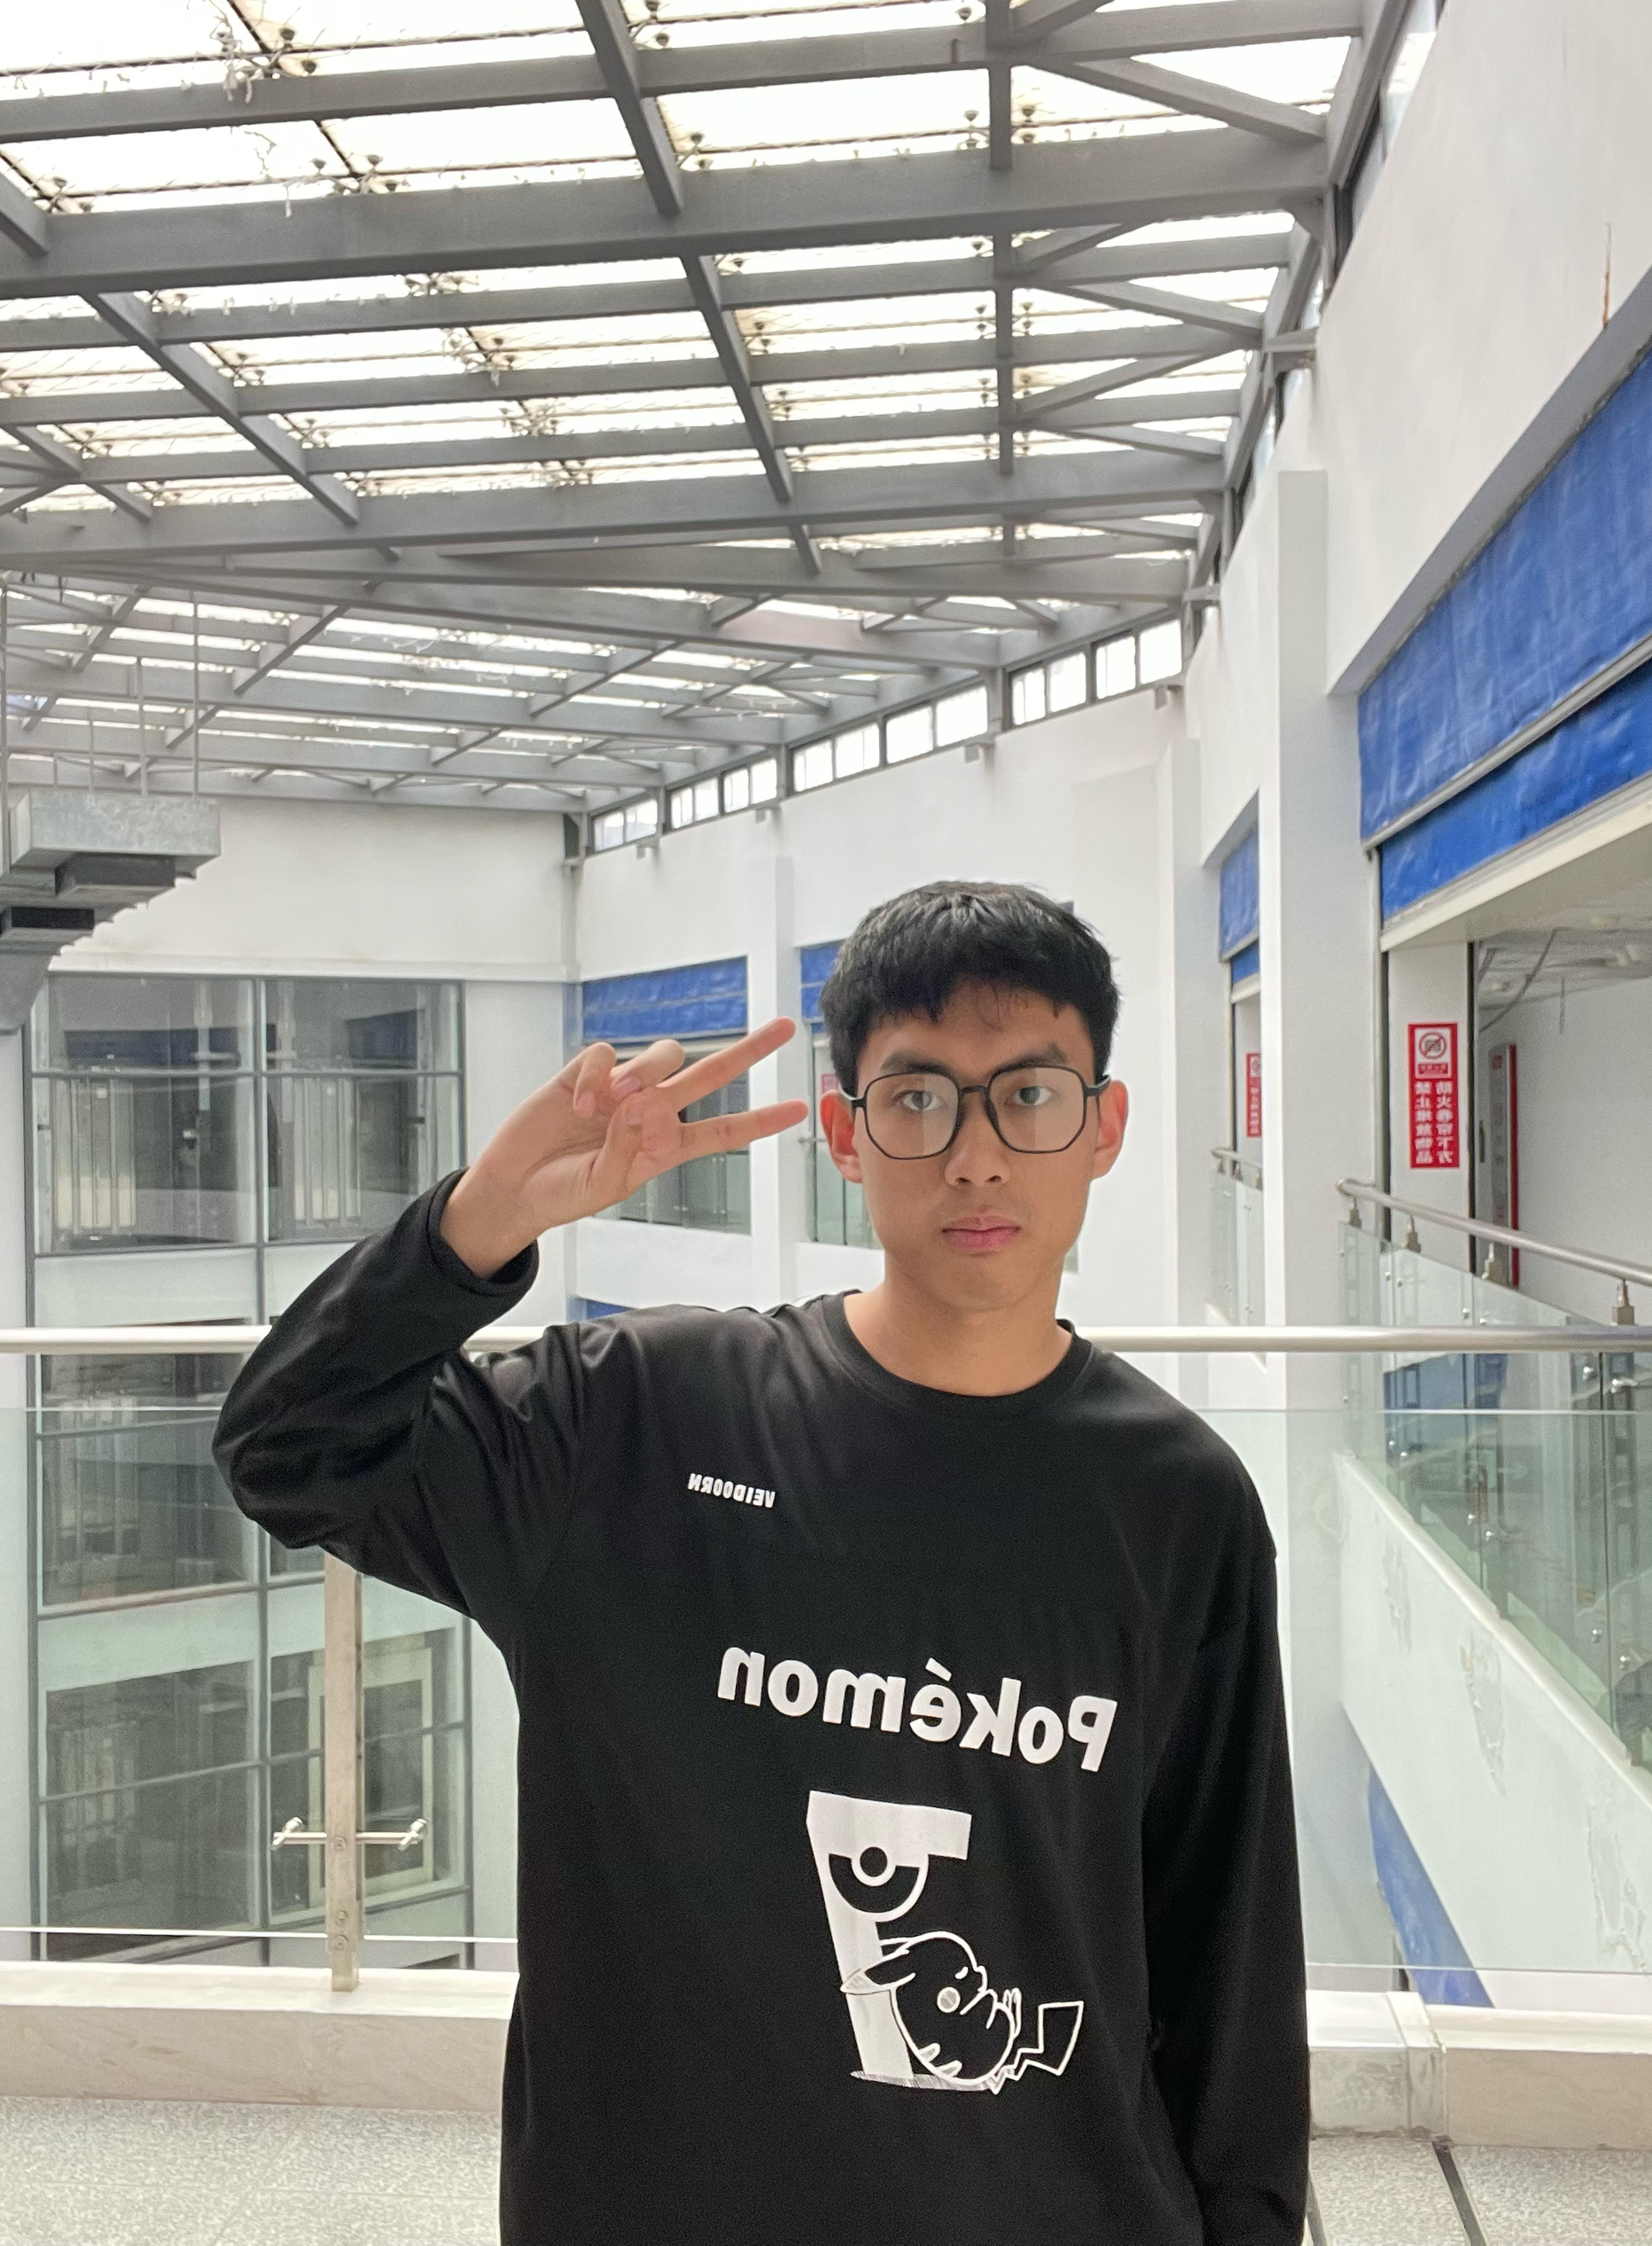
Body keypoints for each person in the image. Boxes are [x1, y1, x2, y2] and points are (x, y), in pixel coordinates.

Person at [215, 879, 1308, 2246]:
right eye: (919, 1098)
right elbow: (287, 1449)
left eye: (1029, 1095)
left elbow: (1229, 1961)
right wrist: (478, 1221)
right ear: (845, 1134)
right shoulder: (638, 1420)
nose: (976, 1156)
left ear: (1105, 1126)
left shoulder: (1178, 1505)